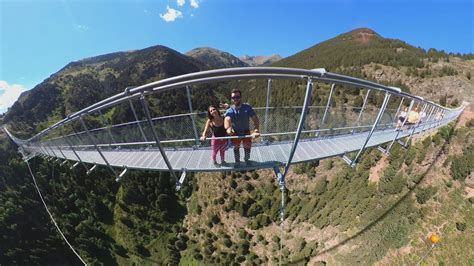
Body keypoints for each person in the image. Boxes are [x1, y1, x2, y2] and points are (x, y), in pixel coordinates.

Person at [224, 89, 260, 166]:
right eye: (233, 97)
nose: (235, 99)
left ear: (241, 97)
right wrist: (228, 128)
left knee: (247, 147)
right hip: (235, 133)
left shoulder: (247, 108)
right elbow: (227, 119)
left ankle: (246, 159)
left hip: (246, 131)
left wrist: (256, 129)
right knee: (236, 148)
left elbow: (255, 118)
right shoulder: (231, 110)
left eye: (237, 97)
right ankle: (237, 162)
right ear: (231, 99)